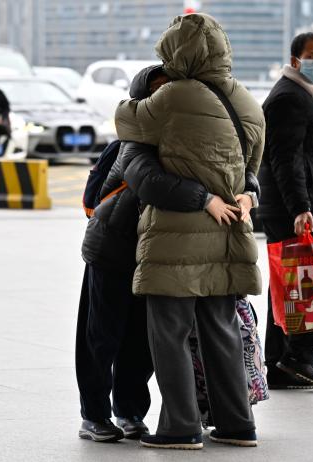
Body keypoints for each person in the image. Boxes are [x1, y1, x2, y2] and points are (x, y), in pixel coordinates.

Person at [115, 13, 265, 450]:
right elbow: (251, 172)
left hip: (177, 235)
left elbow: (129, 121)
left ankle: (179, 427)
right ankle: (238, 425)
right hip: (231, 231)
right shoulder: (249, 101)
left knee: (170, 332)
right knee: (221, 329)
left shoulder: (174, 96)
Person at [77, 64, 248, 443]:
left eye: (170, 91)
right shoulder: (130, 143)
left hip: (155, 256)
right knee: (101, 336)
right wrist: (202, 198)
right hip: (112, 250)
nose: (164, 99)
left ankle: (130, 412)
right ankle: (93, 415)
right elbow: (102, 196)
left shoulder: (190, 145)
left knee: (141, 342)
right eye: (156, 92)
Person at [258, 32, 313, 390]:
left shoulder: (303, 96)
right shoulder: (289, 98)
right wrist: (301, 207)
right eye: (311, 55)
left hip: (297, 203)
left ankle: (277, 365)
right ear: (294, 60)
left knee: (289, 287)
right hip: (297, 206)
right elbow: (285, 159)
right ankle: (297, 357)